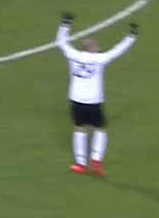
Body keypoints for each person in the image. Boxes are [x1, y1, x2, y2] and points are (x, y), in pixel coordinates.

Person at [56, 13, 137, 177]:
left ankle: (80, 164)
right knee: (100, 129)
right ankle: (96, 161)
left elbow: (61, 42)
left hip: (77, 99)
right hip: (93, 101)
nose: (98, 46)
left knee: (79, 129)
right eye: (96, 45)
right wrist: (131, 37)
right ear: (91, 48)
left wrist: (65, 24)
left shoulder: (73, 55)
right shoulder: (100, 59)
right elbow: (118, 50)